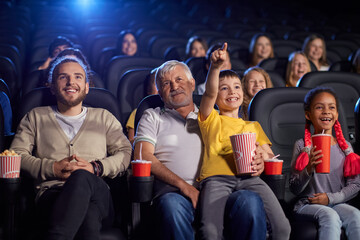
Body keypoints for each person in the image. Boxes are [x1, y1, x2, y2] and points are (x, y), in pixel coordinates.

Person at [134, 60, 268, 240]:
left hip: (222, 191)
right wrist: (186, 188)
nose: (175, 86)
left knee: (250, 201)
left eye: (180, 79)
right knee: (171, 207)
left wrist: (258, 161)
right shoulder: (153, 116)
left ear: (192, 84)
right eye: (166, 83)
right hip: (174, 192)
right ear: (159, 91)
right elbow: (143, 156)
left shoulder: (213, 118)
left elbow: (240, 150)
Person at [10, 56, 132, 240]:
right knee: (88, 216)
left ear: (87, 86)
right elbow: (16, 156)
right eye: (63, 77)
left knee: (82, 176)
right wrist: (52, 168)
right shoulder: (35, 117)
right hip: (52, 196)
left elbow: (125, 152)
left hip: (99, 197)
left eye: (78, 77)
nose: (71, 82)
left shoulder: (104, 117)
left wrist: (95, 167)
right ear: (52, 86)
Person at [197, 42, 290, 240]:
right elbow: (208, 93)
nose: (232, 92)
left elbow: (270, 157)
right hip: (217, 178)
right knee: (210, 232)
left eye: (237, 87)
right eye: (225, 88)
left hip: (250, 178)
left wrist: (261, 162)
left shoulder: (252, 126)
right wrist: (215, 67)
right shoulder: (210, 118)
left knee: (282, 229)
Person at [289, 87, 360, 240]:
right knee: (330, 216)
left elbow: (355, 185)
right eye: (319, 107)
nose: (326, 111)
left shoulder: (346, 148)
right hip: (306, 205)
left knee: (356, 215)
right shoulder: (302, 146)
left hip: (335, 202)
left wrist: (330, 198)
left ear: (336, 115)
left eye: (331, 107)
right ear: (308, 115)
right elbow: (294, 188)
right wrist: (308, 169)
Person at [126, 68, 158, 144]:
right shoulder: (137, 113)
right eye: (157, 85)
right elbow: (131, 141)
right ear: (149, 89)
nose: (161, 89)